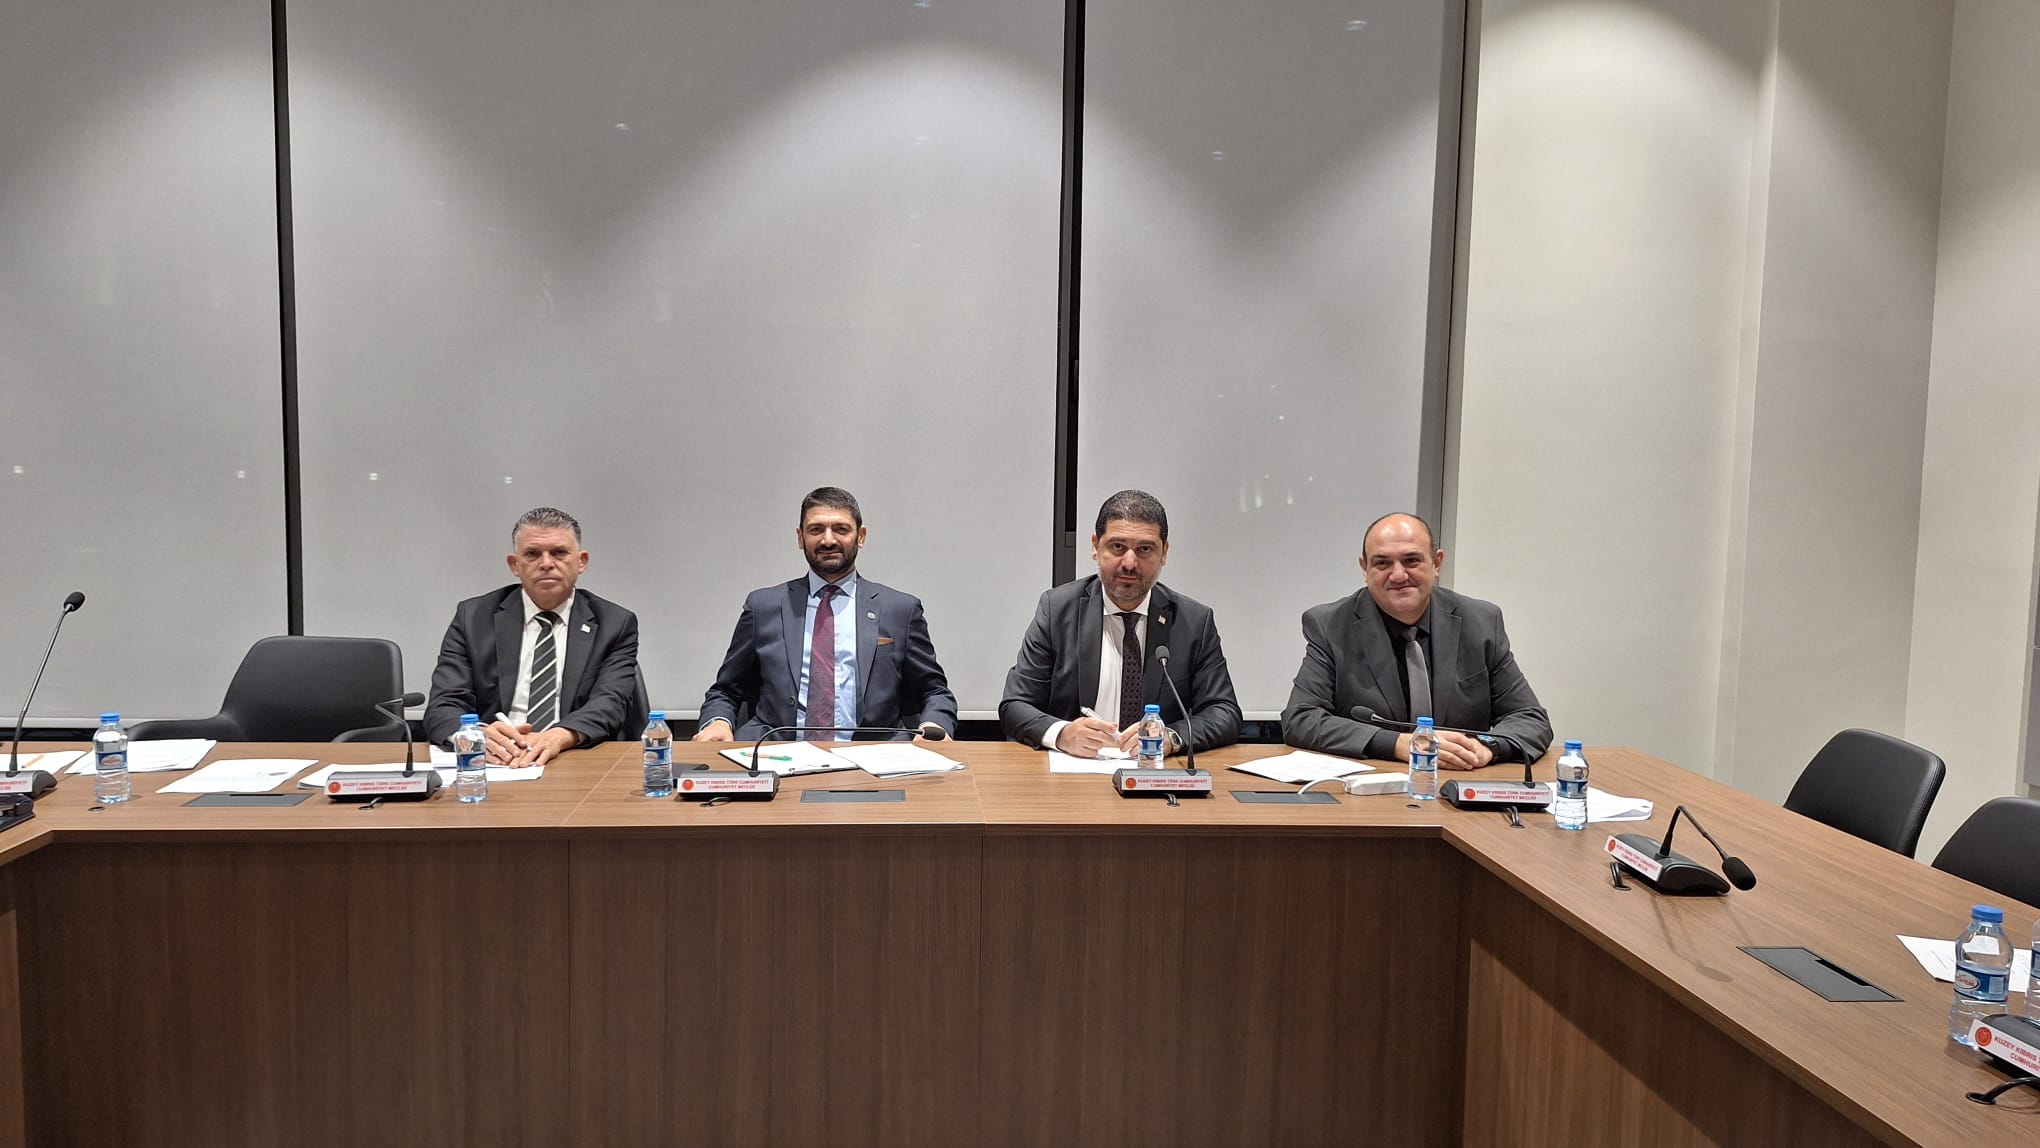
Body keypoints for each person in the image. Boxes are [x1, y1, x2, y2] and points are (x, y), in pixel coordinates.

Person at [1282, 512, 1552, 768]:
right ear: (1364, 568)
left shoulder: (1481, 622)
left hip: (1460, 780)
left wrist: (1486, 747)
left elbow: (1530, 718)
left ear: (1437, 563)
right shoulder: (1330, 625)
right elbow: (1301, 719)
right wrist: (1398, 744)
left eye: (1411, 561)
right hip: (1372, 786)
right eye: (1382, 563)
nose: (1398, 575)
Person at [694, 487, 957, 742]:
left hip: (873, 754)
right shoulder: (763, 606)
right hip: (778, 752)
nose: (828, 540)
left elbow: (935, 691)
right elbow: (725, 691)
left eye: (841, 529)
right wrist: (718, 721)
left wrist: (934, 726)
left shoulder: (900, 609)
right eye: (816, 529)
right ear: (800, 538)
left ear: (861, 536)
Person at [1000, 490, 1241, 757]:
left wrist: (1172, 737)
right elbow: (1015, 705)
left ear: (1164, 553)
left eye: (1145, 549)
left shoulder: (1193, 621)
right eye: (1117, 547)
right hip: (1073, 770)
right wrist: (1062, 734)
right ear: (1095, 546)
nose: (1129, 563)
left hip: (1154, 771)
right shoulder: (1057, 610)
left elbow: (1224, 712)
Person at [426, 507, 647, 765]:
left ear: (582, 561)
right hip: (496, 759)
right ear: (515, 565)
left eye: (559, 552)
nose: (546, 563)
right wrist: (473, 736)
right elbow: (444, 703)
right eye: (532, 554)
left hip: (572, 756)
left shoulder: (614, 623)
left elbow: (611, 703)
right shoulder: (473, 618)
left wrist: (559, 736)